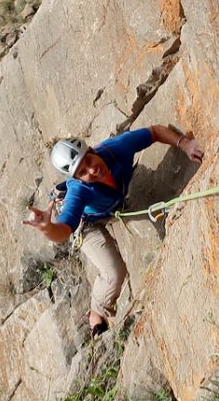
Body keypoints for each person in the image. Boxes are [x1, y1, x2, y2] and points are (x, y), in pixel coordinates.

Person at [23, 125, 203, 336]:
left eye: (89, 161)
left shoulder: (117, 148)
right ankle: (97, 313)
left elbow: (154, 132)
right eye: (82, 172)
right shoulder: (79, 191)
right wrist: (48, 228)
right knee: (114, 273)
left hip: (111, 204)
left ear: (92, 151)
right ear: (77, 179)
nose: (92, 170)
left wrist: (184, 144)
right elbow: (63, 231)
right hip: (87, 224)